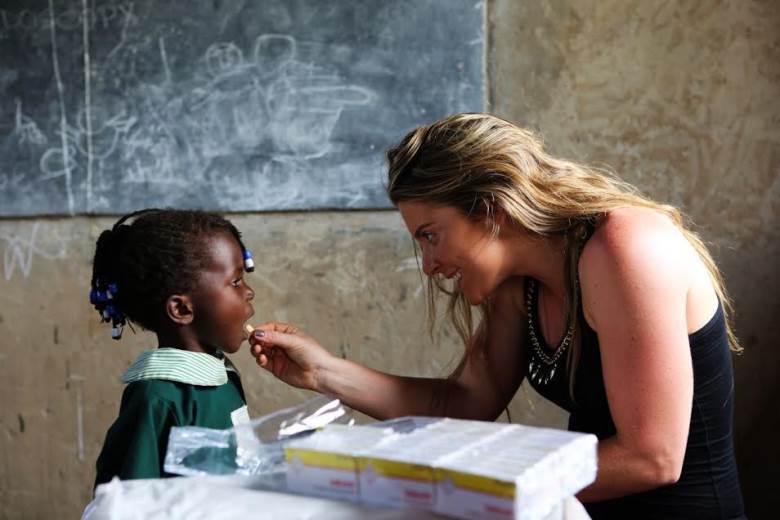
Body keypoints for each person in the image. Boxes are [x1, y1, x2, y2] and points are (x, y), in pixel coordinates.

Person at [248, 113, 745, 519]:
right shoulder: (519, 284)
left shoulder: (624, 246)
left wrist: (457, 491)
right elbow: (461, 403)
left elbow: (652, 458)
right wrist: (322, 371)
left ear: (488, 211)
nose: (429, 265)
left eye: (430, 235)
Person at [91, 209, 256, 488]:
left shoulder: (222, 377)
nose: (249, 292)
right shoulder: (157, 398)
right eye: (236, 281)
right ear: (181, 308)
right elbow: (125, 504)